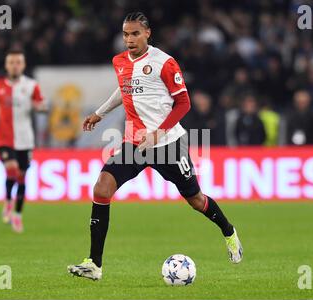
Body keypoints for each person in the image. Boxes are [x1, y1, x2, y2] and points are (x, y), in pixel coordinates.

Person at [67, 12, 243, 280]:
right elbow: (123, 89)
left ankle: (228, 231)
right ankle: (94, 264)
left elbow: (184, 103)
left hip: (168, 144)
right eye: (126, 34)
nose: (129, 39)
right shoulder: (119, 62)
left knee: (196, 200)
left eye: (135, 33)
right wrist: (99, 113)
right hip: (134, 144)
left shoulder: (164, 63)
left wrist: (159, 133)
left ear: (147, 33)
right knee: (102, 188)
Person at [0, 49, 46, 233]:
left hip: (25, 140)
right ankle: (8, 200)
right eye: (11, 62)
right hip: (4, 138)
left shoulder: (31, 85)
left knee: (22, 177)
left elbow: (42, 106)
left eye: (18, 62)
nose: (15, 65)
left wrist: (39, 108)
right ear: (7, 65)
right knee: (12, 169)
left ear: (23, 65)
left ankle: (17, 215)